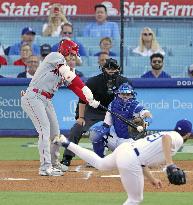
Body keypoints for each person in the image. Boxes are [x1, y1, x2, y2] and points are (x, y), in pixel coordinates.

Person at [55, 119, 192, 205]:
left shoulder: (167, 134)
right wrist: (170, 164)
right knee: (135, 200)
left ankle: (66, 142)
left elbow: (142, 162)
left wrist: (152, 179)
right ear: (188, 134)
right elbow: (167, 138)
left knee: (101, 164)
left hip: (126, 150)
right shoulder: (176, 137)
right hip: (131, 158)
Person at [21, 39, 100, 176]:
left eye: (74, 55)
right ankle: (45, 167)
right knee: (44, 130)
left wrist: (89, 99)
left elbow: (73, 87)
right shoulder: (55, 56)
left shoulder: (65, 67)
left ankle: (54, 162)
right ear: (65, 51)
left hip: (46, 99)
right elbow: (71, 77)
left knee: (56, 133)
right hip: (34, 96)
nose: (73, 57)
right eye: (72, 54)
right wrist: (86, 88)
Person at [61, 58, 131, 166]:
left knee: (128, 129)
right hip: (93, 111)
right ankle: (67, 156)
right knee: (77, 128)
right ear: (103, 69)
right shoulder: (93, 81)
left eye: (113, 69)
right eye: (108, 69)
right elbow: (82, 99)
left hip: (114, 111)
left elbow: (129, 100)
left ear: (118, 69)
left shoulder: (124, 82)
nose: (111, 71)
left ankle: (131, 157)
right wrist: (80, 117)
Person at [89, 83, 152, 158]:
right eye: (122, 94)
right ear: (118, 94)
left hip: (129, 141)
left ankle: (143, 158)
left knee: (126, 160)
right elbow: (106, 124)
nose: (125, 96)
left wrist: (145, 117)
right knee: (97, 132)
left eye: (128, 94)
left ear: (132, 95)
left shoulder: (136, 106)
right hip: (115, 138)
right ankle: (99, 158)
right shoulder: (112, 105)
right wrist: (101, 131)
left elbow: (147, 114)